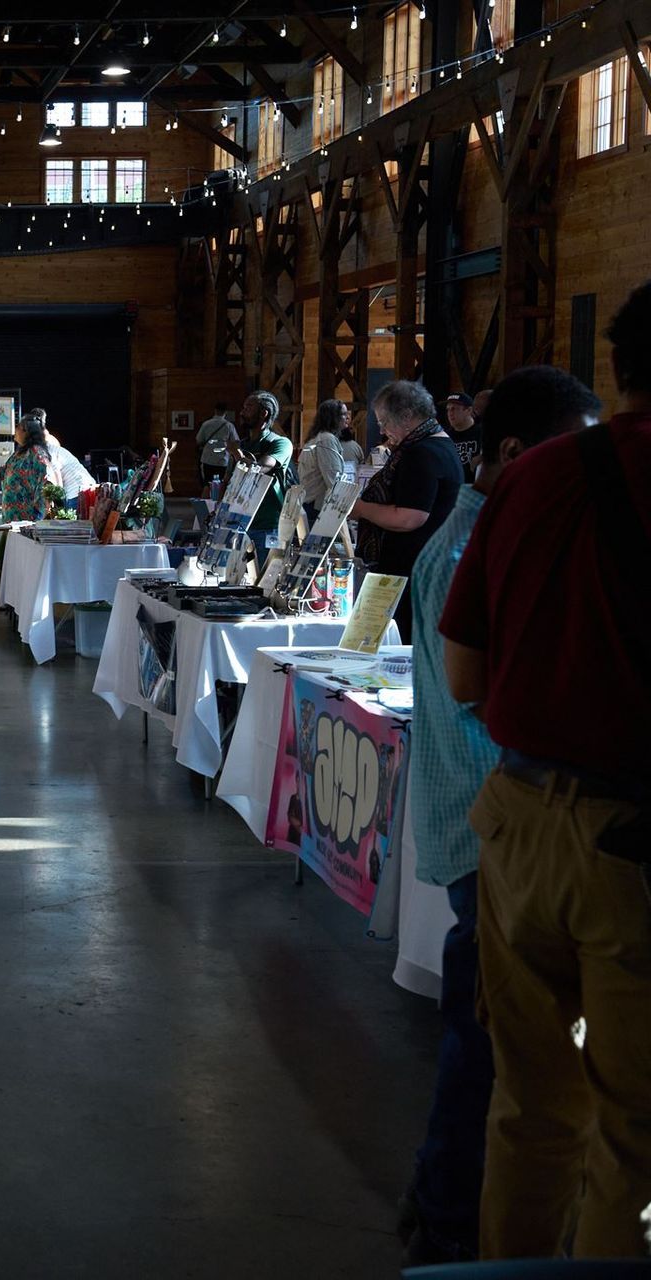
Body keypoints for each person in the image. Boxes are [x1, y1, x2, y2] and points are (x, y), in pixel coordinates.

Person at [441, 282, 651, 1261]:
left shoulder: (530, 479)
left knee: (528, 1108)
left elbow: (464, 671)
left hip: (516, 828)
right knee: (634, 1139)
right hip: (631, 850)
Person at [398, 367, 603, 1266]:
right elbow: (490, 694)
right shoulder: (489, 540)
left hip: (486, 820)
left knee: (493, 1044)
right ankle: (451, 1226)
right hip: (500, 826)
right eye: (573, 447)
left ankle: (444, 1210)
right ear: (518, 454)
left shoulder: (483, 532)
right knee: (490, 1048)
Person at [354, 379, 463, 632]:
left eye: (384, 421)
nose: (382, 430)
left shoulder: (422, 453)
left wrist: (360, 509)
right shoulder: (436, 444)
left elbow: (409, 517)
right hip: (421, 568)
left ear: (406, 416)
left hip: (412, 573)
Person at [239, 391, 292, 543]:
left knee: (263, 567)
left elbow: (260, 468)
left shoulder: (280, 443)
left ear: (263, 413)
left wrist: (238, 455)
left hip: (267, 524)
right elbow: (229, 479)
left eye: (248, 408)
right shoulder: (243, 444)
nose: (242, 412)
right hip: (239, 522)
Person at [298, 399, 352, 521]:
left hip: (308, 504)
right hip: (316, 507)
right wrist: (345, 506)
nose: (347, 417)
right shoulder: (326, 439)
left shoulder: (317, 438)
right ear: (333, 417)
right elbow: (333, 477)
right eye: (343, 414)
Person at [0, 413, 52, 523]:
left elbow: (47, 483)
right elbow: (4, 471)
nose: (15, 429)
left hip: (27, 520)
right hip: (11, 518)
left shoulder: (38, 455)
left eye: (18, 426)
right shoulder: (19, 454)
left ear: (26, 432)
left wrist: (41, 515)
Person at [196, 399, 239, 491]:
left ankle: (206, 504)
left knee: (207, 486)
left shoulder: (206, 424)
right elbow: (235, 442)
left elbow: (199, 440)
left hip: (207, 458)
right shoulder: (229, 426)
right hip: (223, 459)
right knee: (221, 486)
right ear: (225, 412)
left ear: (215, 410)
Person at [445, 392, 482, 474]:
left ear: (469, 410)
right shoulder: (445, 437)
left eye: (454, 409)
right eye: (448, 409)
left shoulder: (483, 433)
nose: (450, 413)